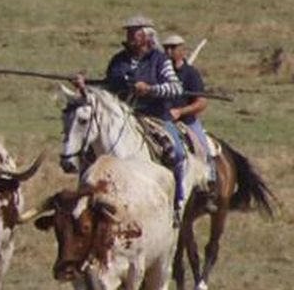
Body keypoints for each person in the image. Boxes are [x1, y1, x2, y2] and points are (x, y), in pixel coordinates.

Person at [77, 15, 185, 224]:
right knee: (87, 153)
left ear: (146, 36)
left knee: (177, 153)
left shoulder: (160, 60)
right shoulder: (118, 60)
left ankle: (177, 202)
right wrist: (85, 86)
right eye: (129, 32)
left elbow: (176, 87)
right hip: (123, 117)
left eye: (134, 32)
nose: (129, 36)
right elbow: (107, 87)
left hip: (154, 116)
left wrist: (151, 89)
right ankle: (82, 201)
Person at [162, 33, 213, 186]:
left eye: (172, 48)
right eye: (166, 48)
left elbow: (201, 102)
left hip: (187, 122)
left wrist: (180, 112)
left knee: (204, 150)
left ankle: (210, 182)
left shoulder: (191, 74)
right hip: (163, 120)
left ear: (182, 50)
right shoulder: (160, 72)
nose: (168, 52)